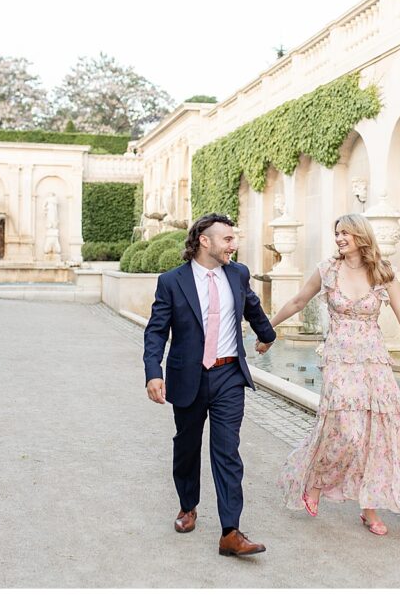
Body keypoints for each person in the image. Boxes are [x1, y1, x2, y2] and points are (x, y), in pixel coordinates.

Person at [266, 213, 400, 535]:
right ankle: (317, 482)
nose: (339, 238)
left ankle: (370, 508)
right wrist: (267, 330)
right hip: (339, 359)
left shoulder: (382, 272)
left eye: (345, 233)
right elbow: (297, 301)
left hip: (373, 360)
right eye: (337, 233)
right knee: (346, 429)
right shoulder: (328, 269)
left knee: (375, 433)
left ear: (360, 236)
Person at [143, 213, 277, 557]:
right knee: (187, 446)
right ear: (205, 241)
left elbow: (252, 307)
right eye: (227, 240)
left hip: (229, 376)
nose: (234, 245)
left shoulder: (238, 273)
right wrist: (153, 372)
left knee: (227, 450)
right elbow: (157, 330)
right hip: (187, 376)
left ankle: (230, 531)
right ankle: (188, 505)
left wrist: (267, 335)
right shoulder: (172, 281)